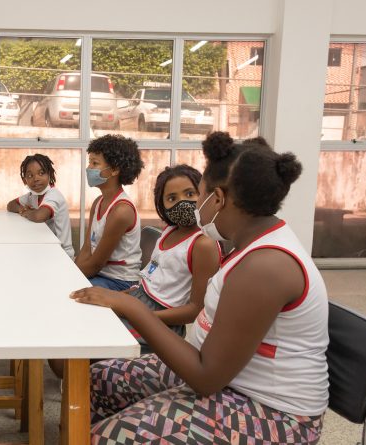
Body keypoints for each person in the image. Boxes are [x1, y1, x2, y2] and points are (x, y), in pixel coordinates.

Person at [73, 132, 328, 444]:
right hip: (228, 378)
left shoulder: (265, 267)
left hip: (273, 412)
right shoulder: (246, 246)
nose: (192, 208)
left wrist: (133, 308)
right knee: (100, 378)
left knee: (108, 438)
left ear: (218, 199)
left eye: (199, 194)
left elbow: (206, 378)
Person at [95, 165, 221, 354]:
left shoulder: (203, 244)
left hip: (164, 320)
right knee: (88, 315)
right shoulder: (169, 231)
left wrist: (143, 315)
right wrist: (124, 297)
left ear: (203, 194)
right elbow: (153, 278)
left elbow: (195, 310)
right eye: (172, 198)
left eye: (190, 194)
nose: (182, 203)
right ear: (162, 205)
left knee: (93, 341)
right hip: (140, 299)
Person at [75, 135, 144, 290]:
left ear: (114, 170)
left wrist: (70, 277)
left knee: (68, 291)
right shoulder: (98, 203)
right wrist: (72, 271)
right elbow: (87, 249)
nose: (88, 168)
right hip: (99, 275)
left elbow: (97, 263)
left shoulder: (121, 211)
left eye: (95, 163)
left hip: (120, 281)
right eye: (89, 162)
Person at [6, 153, 74, 257]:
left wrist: (27, 212)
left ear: (50, 175)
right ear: (25, 181)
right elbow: (11, 205)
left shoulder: (53, 195)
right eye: (30, 175)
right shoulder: (33, 195)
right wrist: (22, 209)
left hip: (61, 252)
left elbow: (39, 216)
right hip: (46, 247)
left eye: (41, 173)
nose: (36, 178)